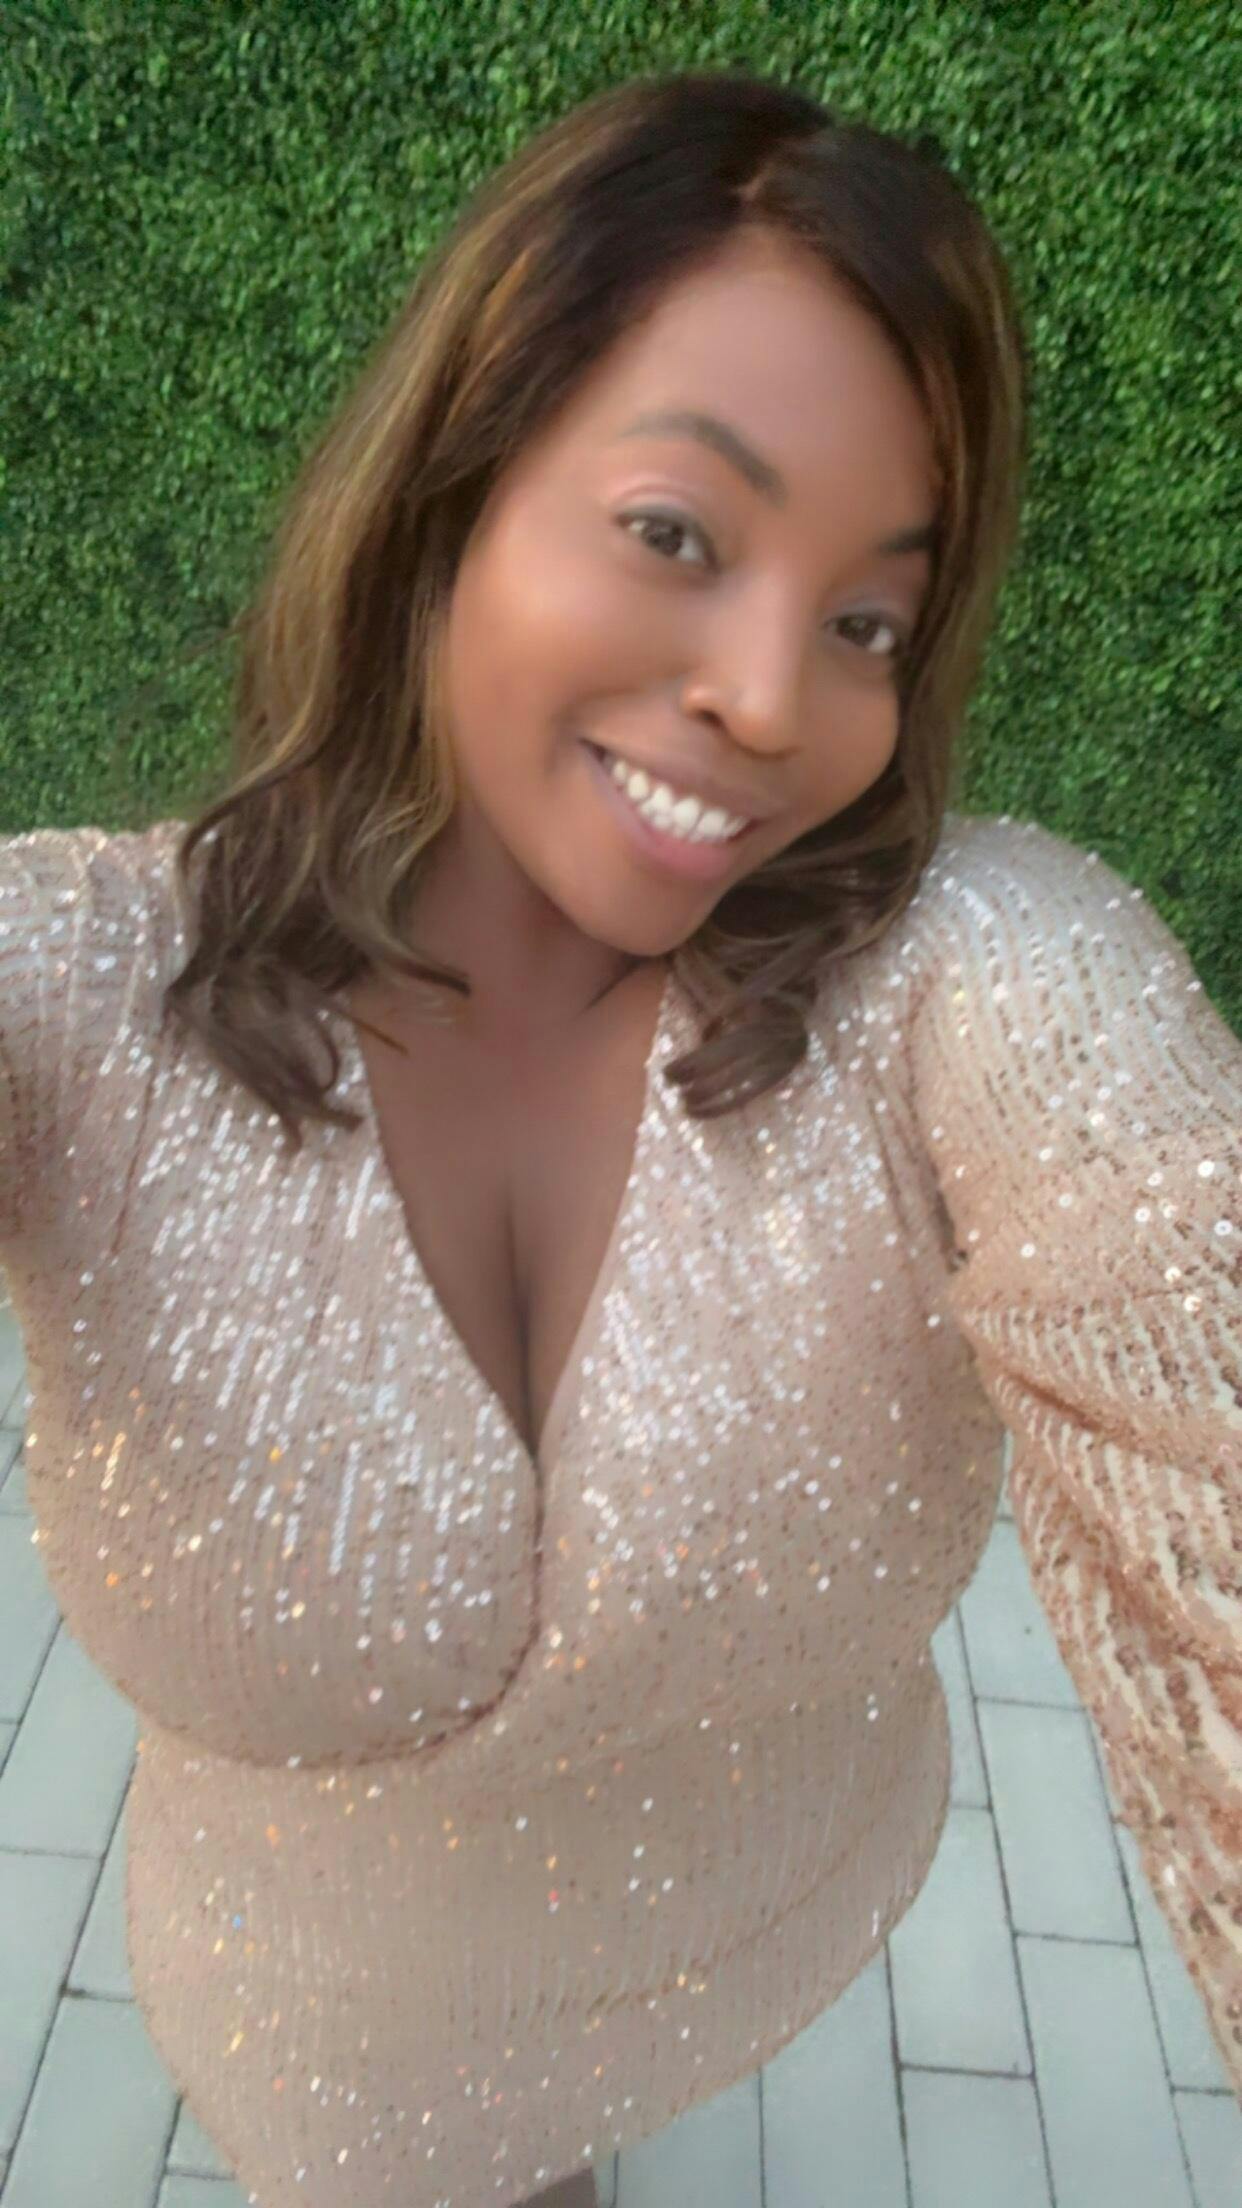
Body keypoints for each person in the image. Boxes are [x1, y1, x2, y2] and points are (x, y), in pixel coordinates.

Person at [1, 65, 1238, 2208]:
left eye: (865, 622)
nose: (775, 699)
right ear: (450, 493)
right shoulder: (82, 990)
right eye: (677, 533)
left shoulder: (972, 980)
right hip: (326, 2051)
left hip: (759, 1922)